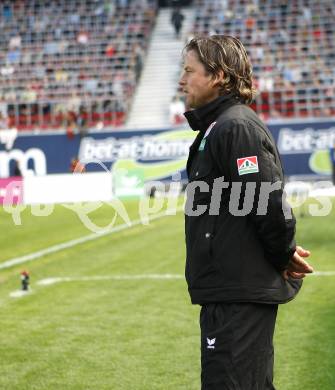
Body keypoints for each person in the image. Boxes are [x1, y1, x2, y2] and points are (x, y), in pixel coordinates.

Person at [179, 35, 314, 389]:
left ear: (218, 76)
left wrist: (284, 254)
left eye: (189, 71)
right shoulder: (217, 127)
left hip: (238, 293)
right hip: (228, 290)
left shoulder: (236, 127)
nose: (182, 80)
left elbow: (267, 202)